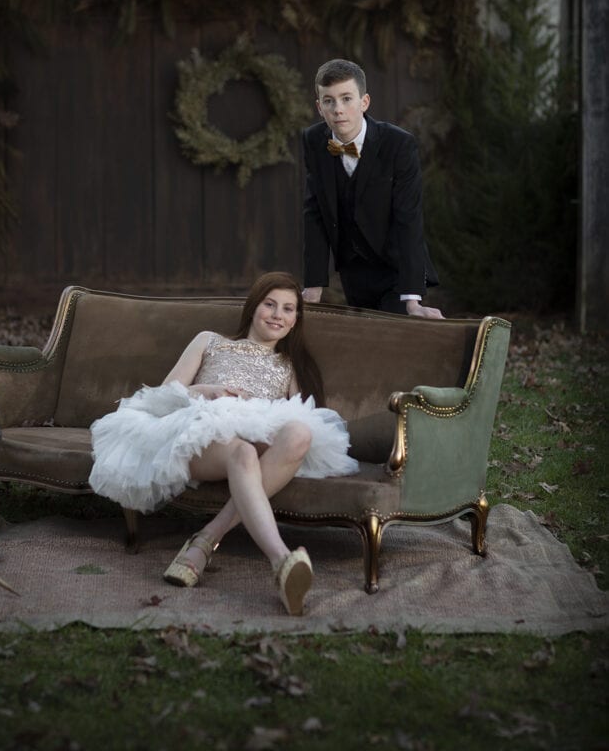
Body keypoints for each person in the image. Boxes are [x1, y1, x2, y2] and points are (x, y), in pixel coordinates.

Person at [89, 272, 358, 616]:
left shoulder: (290, 366)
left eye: (288, 309)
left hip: (256, 435)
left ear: (295, 321)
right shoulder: (210, 341)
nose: (278, 314)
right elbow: (162, 394)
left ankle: (204, 539)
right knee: (240, 451)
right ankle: (281, 560)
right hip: (202, 429)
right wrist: (207, 391)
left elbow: (297, 418)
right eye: (270, 304)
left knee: (301, 433)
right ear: (253, 308)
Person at [302, 59, 443, 319]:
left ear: (364, 102)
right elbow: (315, 213)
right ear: (319, 108)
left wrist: (412, 298)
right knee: (365, 343)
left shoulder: (398, 145)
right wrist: (313, 285)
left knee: (395, 337)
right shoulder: (312, 141)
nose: (338, 109)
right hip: (353, 270)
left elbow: (408, 219)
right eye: (329, 101)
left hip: (396, 269)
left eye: (346, 99)